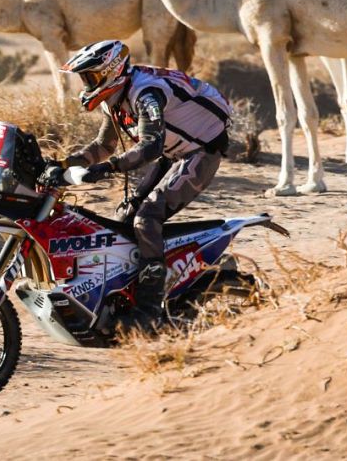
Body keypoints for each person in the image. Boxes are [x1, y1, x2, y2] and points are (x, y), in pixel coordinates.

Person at [53, 39, 230, 320]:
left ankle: (148, 309)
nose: (87, 85)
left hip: (201, 152)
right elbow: (103, 146)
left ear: (112, 71)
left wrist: (107, 169)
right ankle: (126, 292)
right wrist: (61, 164)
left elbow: (150, 147)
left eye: (91, 77)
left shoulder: (146, 93)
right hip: (175, 153)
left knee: (147, 218)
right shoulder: (115, 97)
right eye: (85, 79)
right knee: (124, 217)